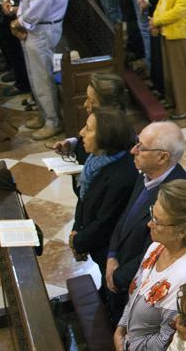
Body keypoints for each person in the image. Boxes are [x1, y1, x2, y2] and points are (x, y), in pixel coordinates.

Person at [114, 180, 186, 351]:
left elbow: (167, 341)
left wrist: (124, 346)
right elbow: (136, 291)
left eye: (157, 221)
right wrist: (120, 328)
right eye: (151, 214)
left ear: (183, 231)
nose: (149, 224)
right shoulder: (158, 246)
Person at [105, 121, 186, 324]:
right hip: (119, 265)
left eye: (141, 147)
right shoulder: (146, 173)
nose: (133, 150)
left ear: (162, 157)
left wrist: (117, 278)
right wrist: (112, 254)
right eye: (137, 142)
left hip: (136, 286)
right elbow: (125, 216)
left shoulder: (176, 198)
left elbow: (154, 251)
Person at [11, 0, 69, 140]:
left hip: (43, 31)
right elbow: (28, 1)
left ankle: (53, 121)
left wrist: (19, 23)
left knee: (43, 76)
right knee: (33, 74)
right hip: (33, 29)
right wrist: (20, 19)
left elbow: (38, 9)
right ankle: (44, 114)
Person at [69, 108, 137, 280]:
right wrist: (76, 230)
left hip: (109, 250)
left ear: (106, 136)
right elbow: (83, 198)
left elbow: (105, 222)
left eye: (88, 129)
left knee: (111, 291)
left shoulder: (122, 176)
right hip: (92, 240)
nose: (81, 133)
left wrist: (78, 242)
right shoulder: (95, 159)